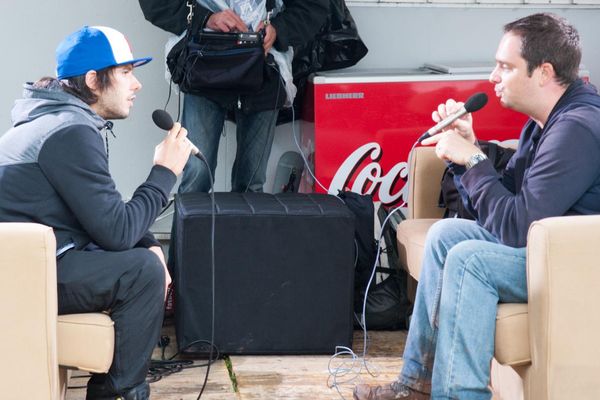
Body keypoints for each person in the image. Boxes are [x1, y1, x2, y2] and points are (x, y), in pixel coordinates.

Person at [353, 13, 600, 400]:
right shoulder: (543, 122)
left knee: (471, 259)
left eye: (505, 67)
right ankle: (416, 384)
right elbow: (504, 206)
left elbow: (517, 229)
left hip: (576, 262)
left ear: (543, 72)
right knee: (446, 235)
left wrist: (473, 161)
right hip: (546, 249)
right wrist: (469, 149)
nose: (492, 77)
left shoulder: (577, 127)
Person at [0, 26, 192, 399]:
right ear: (93, 80)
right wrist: (165, 172)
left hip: (32, 265)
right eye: (126, 72)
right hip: (20, 277)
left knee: (143, 257)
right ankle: (120, 392)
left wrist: (149, 241)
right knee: (142, 272)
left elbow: (102, 213)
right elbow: (115, 232)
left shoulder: (59, 120)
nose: (136, 85)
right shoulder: (69, 130)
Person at [138, 0, 328, 193]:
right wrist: (205, 18)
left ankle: (245, 222)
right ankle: (194, 222)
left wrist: (278, 29)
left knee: (251, 182)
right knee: (197, 175)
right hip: (205, 65)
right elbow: (155, 4)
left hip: (264, 69)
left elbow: (314, 7)